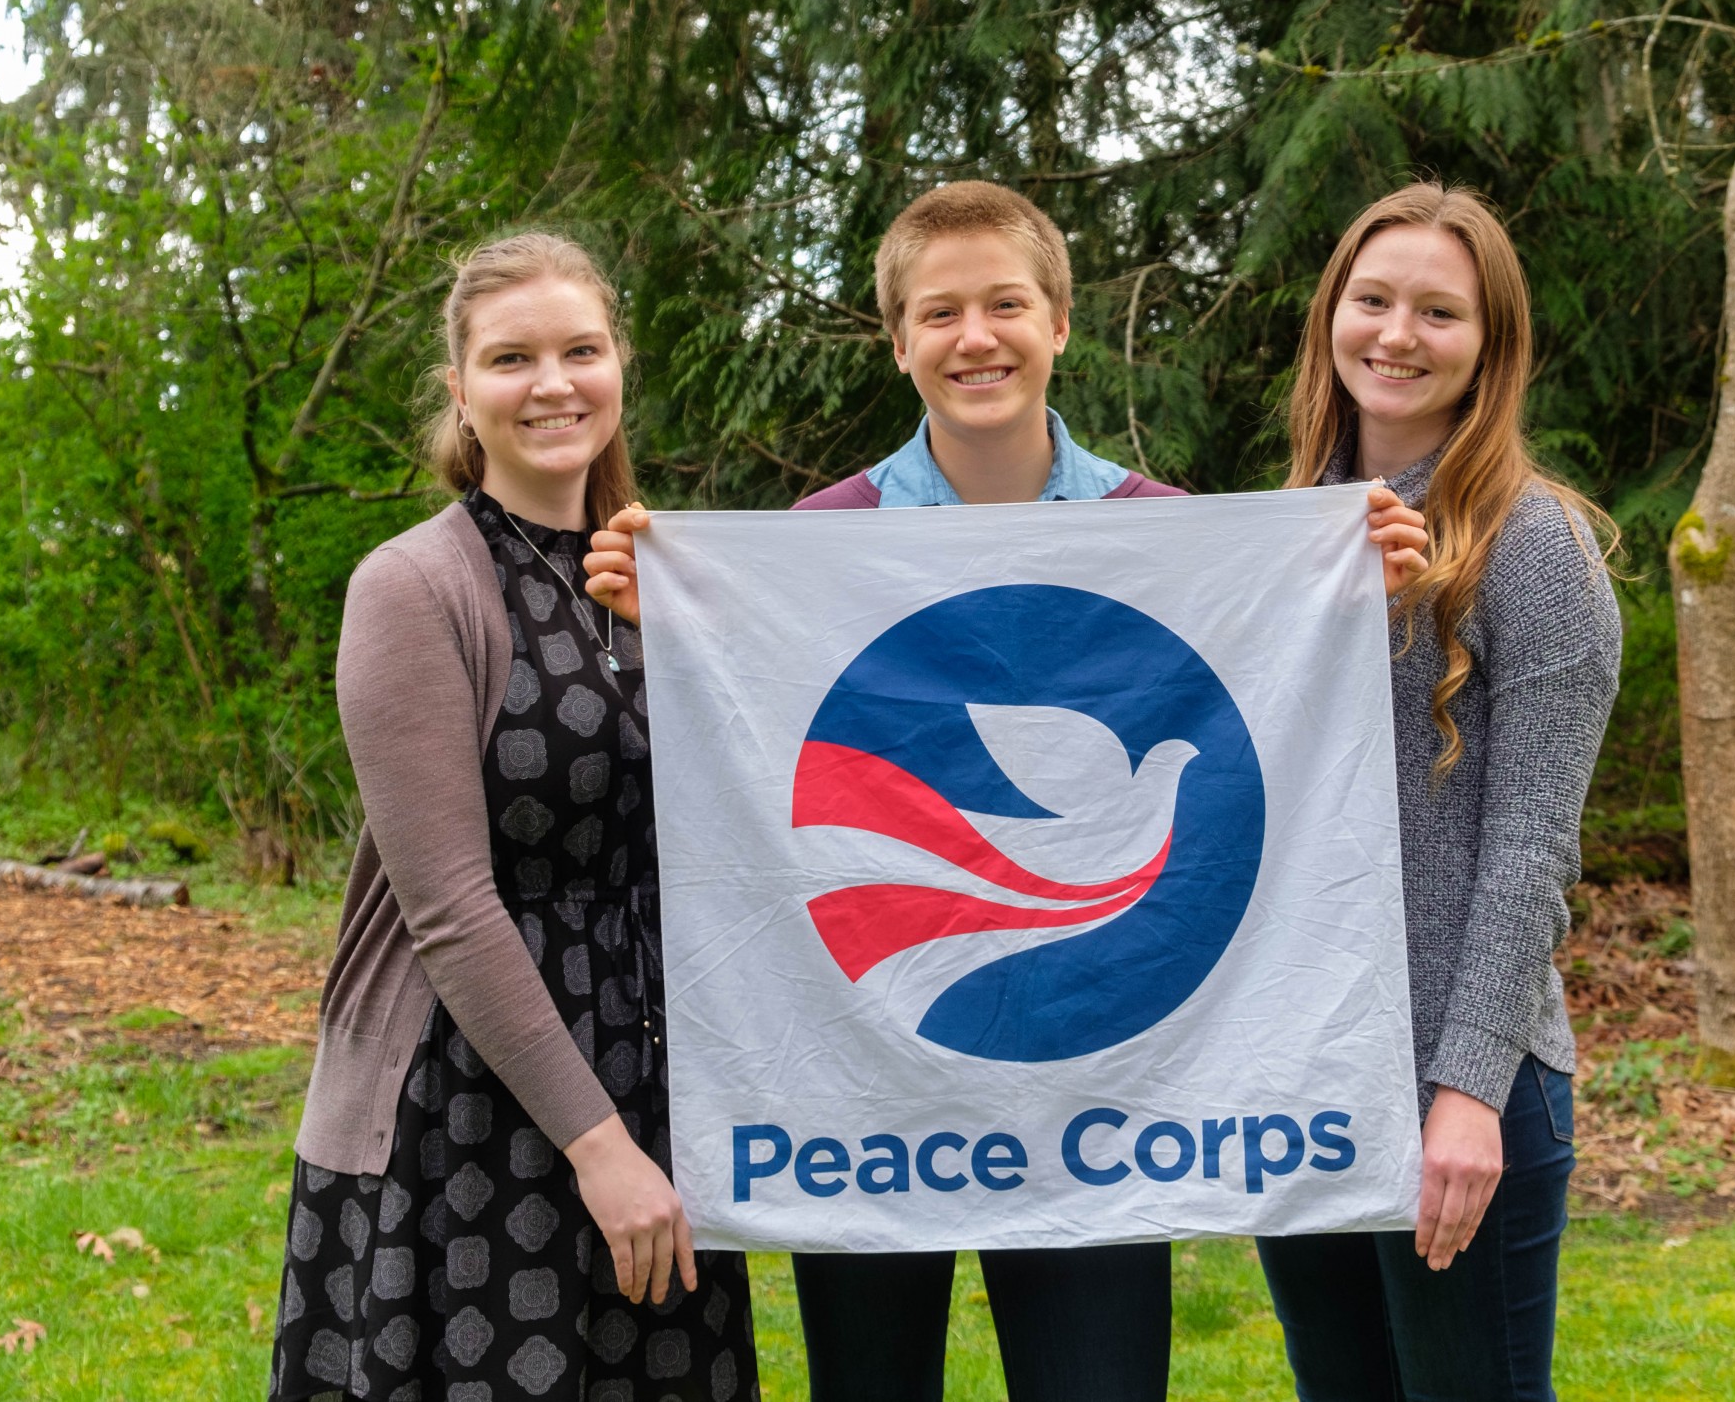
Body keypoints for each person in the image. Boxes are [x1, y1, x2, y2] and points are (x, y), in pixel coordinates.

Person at [585, 181, 1180, 1402]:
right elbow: (754, 758)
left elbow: (1250, 733)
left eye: (1006, 304)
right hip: (865, 1067)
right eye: (940, 312)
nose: (977, 338)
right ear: (898, 340)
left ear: (1059, 322)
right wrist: (680, 625)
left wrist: (1344, 593)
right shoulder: (816, 535)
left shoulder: (1170, 535)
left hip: (1094, 1072)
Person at [269, 230, 756, 1402]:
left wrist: (685, 631)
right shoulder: (413, 588)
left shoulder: (665, 575)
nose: (551, 384)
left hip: (648, 1081)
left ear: (618, 365)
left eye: (579, 350)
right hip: (472, 1105)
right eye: (510, 359)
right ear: (462, 392)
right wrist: (597, 1148)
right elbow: (447, 907)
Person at [1254, 181, 1620, 1402]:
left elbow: (1529, 850)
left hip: (1459, 1091)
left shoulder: (1536, 547)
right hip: (1305, 1084)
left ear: (1490, 348)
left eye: (1439, 312)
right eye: (1372, 300)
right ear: (1329, 320)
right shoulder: (1276, 541)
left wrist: (1465, 1095)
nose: (1397, 335)